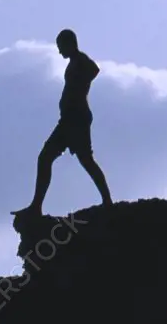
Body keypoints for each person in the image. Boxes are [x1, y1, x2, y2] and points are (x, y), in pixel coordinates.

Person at [13, 29, 112, 218]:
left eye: (61, 47)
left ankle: (107, 201)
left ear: (70, 44)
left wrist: (79, 88)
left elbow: (94, 70)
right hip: (68, 120)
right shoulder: (74, 62)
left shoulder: (81, 61)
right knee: (46, 158)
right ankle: (36, 206)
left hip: (76, 119)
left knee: (85, 160)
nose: (59, 52)